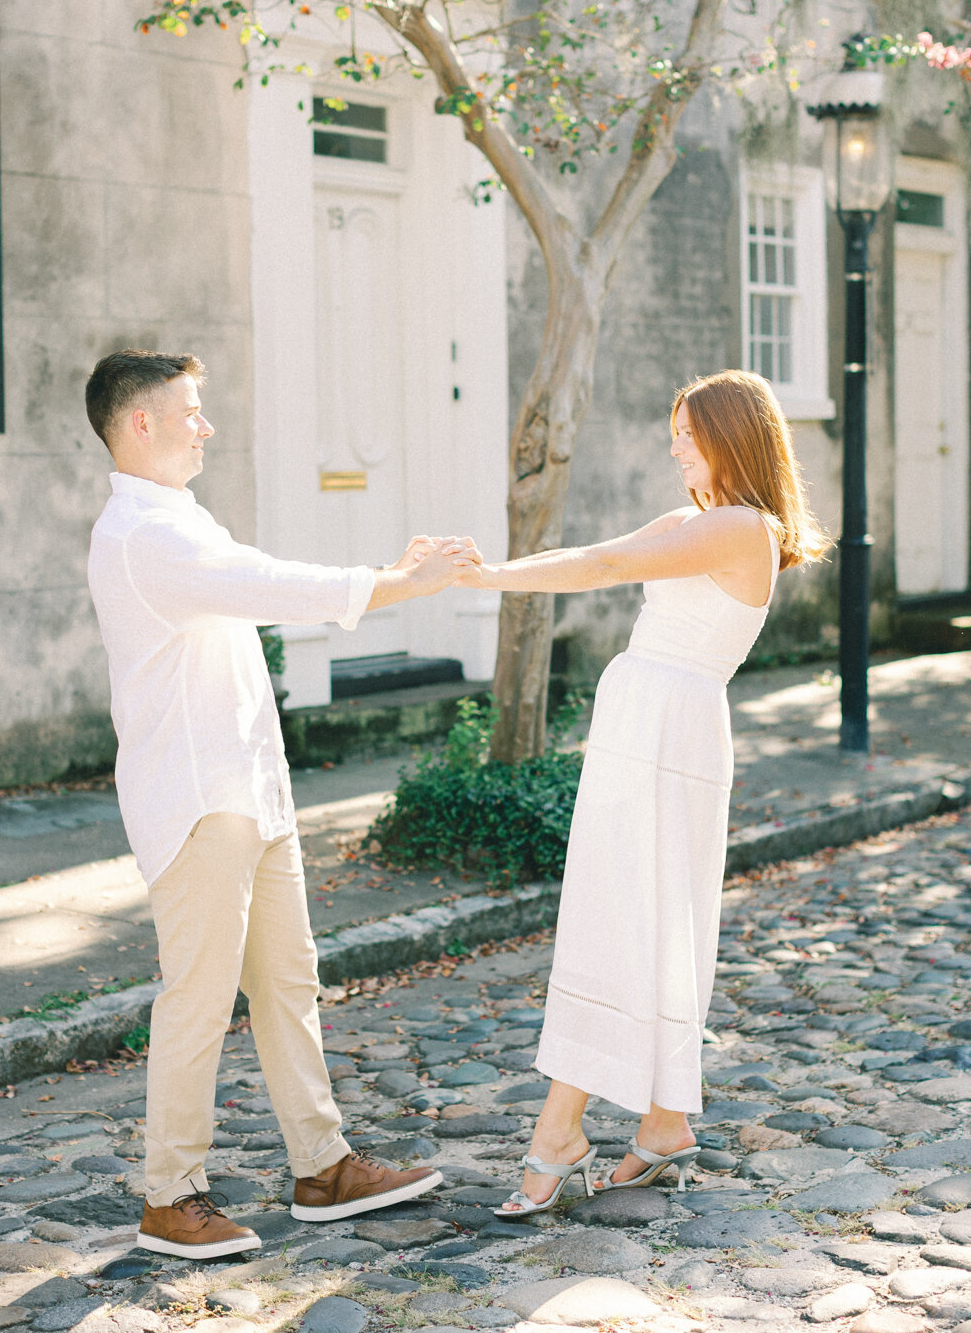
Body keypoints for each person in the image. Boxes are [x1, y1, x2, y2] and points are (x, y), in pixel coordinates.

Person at [84, 348, 478, 1258]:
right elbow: (270, 588)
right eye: (190, 409)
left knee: (289, 980)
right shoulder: (145, 535)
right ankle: (170, 1195)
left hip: (249, 786)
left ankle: (322, 1164)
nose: (206, 425)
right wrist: (398, 583)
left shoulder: (180, 518)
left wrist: (385, 576)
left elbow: (255, 569)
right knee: (200, 994)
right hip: (196, 798)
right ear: (140, 423)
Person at [455, 370, 830, 1215]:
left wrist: (485, 583)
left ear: (731, 440)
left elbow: (606, 565)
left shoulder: (741, 528)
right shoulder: (699, 522)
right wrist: (495, 570)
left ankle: (561, 1132)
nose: (673, 448)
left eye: (687, 434)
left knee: (620, 916)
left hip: (671, 731)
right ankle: (663, 1124)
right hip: (645, 725)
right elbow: (595, 555)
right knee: (648, 918)